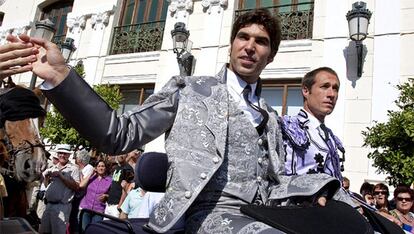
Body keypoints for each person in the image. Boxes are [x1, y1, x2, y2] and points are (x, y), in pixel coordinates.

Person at [2, 9, 340, 233]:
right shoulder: (190, 89)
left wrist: (323, 189)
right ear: (232, 44)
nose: (250, 47)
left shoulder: (269, 116)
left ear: (271, 54)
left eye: (261, 42)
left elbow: (272, 182)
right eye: (244, 37)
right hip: (202, 216)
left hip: (262, 215)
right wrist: (61, 76)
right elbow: (118, 134)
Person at [40, 144, 80, 234]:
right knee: (44, 232)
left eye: (65, 153)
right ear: (57, 154)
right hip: (48, 205)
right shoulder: (53, 167)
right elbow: (46, 186)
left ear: (69, 155)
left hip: (62, 207)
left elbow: (76, 187)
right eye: (60, 153)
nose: (62, 155)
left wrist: (61, 176)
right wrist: (46, 178)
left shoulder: (74, 169)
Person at [78, 160, 112, 232]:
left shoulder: (109, 180)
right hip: (86, 208)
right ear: (96, 168)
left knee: (95, 231)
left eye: (102, 166)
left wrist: (106, 196)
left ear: (106, 168)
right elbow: (81, 185)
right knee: (84, 230)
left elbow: (112, 194)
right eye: (99, 166)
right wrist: (91, 173)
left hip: (99, 210)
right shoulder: (91, 178)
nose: (101, 168)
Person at [104, 154, 134, 218]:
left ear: (126, 155)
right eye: (120, 153)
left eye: (123, 153)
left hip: (117, 206)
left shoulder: (128, 169)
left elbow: (127, 189)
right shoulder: (116, 167)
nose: (121, 155)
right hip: (109, 204)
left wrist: (119, 206)